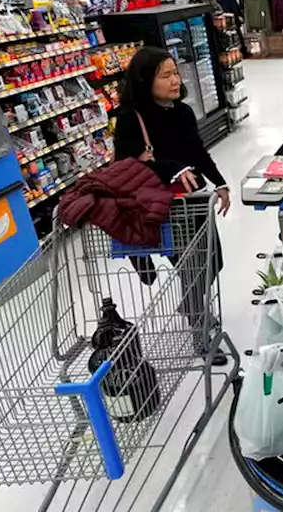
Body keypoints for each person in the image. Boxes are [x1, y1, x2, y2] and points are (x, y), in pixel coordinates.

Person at [112, 46, 232, 363]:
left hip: (192, 201)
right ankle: (200, 334)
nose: (175, 80)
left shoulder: (182, 112)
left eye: (175, 72)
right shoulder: (129, 121)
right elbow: (126, 166)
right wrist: (172, 168)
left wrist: (219, 183)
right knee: (192, 267)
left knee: (212, 262)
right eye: (165, 75)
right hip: (161, 206)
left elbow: (197, 152)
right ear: (144, 80)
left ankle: (191, 305)